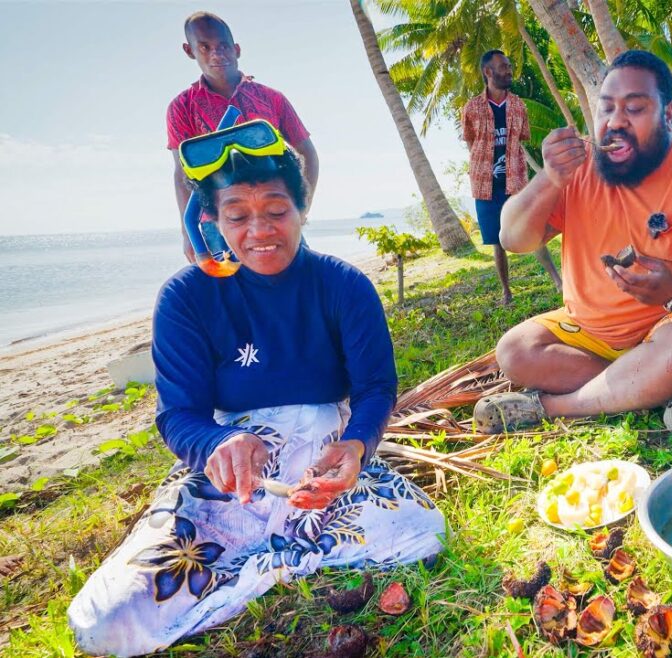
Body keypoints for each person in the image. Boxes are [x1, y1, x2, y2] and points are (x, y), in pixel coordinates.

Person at [67, 122, 443, 657]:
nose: (260, 230)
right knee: (105, 623)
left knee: (422, 533)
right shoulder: (186, 297)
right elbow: (179, 416)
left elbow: (376, 387)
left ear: (302, 209)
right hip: (234, 481)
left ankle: (269, 556)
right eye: (237, 215)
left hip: (324, 470)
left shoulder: (344, 286)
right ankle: (265, 552)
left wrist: (357, 446)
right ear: (212, 221)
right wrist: (219, 445)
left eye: (276, 210)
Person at [472, 50, 672, 436]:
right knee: (514, 351)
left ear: (669, 115)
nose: (615, 122)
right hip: (593, 335)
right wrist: (549, 178)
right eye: (606, 108)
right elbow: (512, 238)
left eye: (635, 109)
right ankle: (655, 387)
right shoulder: (576, 168)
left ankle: (553, 407)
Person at [167, 11, 320, 262]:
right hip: (216, 225)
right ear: (189, 50)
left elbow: (308, 154)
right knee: (233, 299)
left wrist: (301, 208)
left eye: (223, 46)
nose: (217, 54)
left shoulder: (271, 98)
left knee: (299, 290)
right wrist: (188, 233)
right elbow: (182, 173)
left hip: (275, 215)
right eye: (204, 47)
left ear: (237, 49)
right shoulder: (182, 106)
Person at [461, 49, 562, 304]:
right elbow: (470, 141)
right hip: (485, 184)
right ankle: (506, 291)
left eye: (509, 65)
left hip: (515, 178)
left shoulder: (518, 105)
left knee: (532, 227)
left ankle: (558, 282)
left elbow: (523, 137)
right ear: (488, 72)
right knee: (497, 240)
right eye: (503, 66)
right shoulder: (472, 108)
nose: (509, 70)